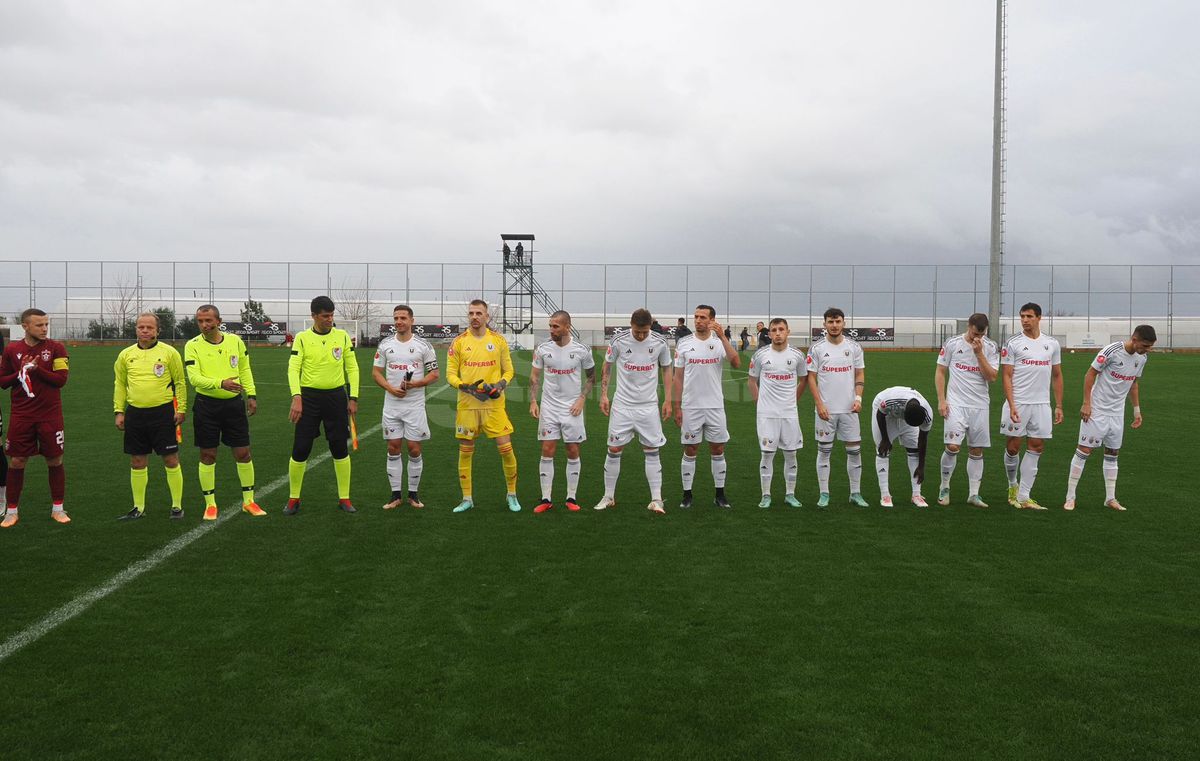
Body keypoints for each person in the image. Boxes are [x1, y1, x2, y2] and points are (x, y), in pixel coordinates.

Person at [184, 305, 265, 520]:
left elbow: (244, 369)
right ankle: (210, 504)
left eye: (208, 320)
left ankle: (249, 501)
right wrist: (221, 383)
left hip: (233, 406)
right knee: (208, 455)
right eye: (200, 321)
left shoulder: (235, 341)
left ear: (219, 321)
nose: (204, 325)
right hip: (206, 406)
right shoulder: (192, 346)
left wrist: (252, 395)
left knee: (243, 453)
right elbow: (194, 379)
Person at [1064, 325, 1156, 511]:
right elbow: (1090, 374)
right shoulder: (1111, 351)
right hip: (1097, 410)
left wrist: (1137, 411)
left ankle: (1110, 498)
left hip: (1117, 413)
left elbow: (1134, 384)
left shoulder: (1142, 358)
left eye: (1150, 346)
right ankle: (1070, 497)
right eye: (1145, 345)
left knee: (1113, 454)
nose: (1148, 350)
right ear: (1134, 339)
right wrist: (1086, 403)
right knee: (1084, 450)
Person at [284, 296, 360, 515]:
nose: (330, 319)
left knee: (339, 447)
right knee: (301, 448)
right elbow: (293, 369)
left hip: (336, 398)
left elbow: (352, 368)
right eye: (325, 316)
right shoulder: (302, 338)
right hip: (308, 399)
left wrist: (353, 398)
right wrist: (296, 396)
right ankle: (293, 498)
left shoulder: (342, 336)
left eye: (332, 315)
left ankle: (344, 499)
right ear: (314, 316)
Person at [595, 308, 673, 514]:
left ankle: (657, 499)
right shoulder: (618, 341)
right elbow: (607, 365)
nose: (641, 335)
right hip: (622, 406)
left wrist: (668, 400)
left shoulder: (659, 342)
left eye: (645, 332)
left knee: (652, 450)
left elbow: (666, 368)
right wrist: (604, 394)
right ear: (631, 325)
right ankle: (608, 496)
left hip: (648, 407)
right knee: (613, 449)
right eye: (637, 331)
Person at [445, 299, 520, 513]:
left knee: (506, 449)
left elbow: (509, 370)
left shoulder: (498, 340)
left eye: (479, 313)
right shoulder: (459, 342)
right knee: (466, 451)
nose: (474, 317)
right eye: (471, 313)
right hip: (467, 406)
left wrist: (500, 385)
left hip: (493, 405)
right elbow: (450, 373)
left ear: (487, 316)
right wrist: (464, 386)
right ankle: (467, 498)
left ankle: (512, 494)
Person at [0, 309, 70, 527]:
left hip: (50, 415)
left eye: (46, 324)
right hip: (22, 416)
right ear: (25, 326)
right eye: (39, 325)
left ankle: (58, 508)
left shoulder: (56, 348)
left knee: (55, 460)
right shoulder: (13, 350)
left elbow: (61, 380)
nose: (44, 329)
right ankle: (11, 511)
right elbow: (3, 381)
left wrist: (37, 370)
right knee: (18, 461)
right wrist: (20, 371)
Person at [114, 312, 186, 520]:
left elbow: (180, 383)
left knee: (171, 459)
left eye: (149, 327)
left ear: (157, 330)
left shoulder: (169, 353)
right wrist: (119, 411)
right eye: (141, 327)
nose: (145, 331)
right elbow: (120, 384)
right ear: (136, 329)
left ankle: (177, 506)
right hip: (135, 414)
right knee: (137, 460)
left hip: (163, 413)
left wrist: (180, 409)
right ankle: (138, 508)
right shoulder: (126, 355)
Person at [372, 305, 439, 510]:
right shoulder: (385, 345)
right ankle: (395, 495)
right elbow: (376, 372)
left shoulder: (423, 345)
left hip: (414, 406)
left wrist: (415, 384)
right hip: (391, 405)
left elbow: (435, 374)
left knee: (414, 448)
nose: (399, 321)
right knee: (393, 447)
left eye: (403, 318)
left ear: (412, 320)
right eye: (396, 318)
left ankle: (413, 494)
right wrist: (391, 389)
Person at [672, 305, 739, 508]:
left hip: (715, 406)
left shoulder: (719, 343)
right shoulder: (684, 344)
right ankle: (687, 495)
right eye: (696, 316)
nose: (698, 320)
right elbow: (678, 377)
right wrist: (677, 406)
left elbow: (736, 363)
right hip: (691, 406)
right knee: (690, 449)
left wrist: (724, 338)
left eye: (703, 317)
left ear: (712, 320)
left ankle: (720, 495)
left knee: (718, 449)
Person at [529, 310, 595, 513]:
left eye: (556, 326)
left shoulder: (582, 350)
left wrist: (582, 398)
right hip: (549, 407)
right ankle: (545, 499)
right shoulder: (542, 349)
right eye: (550, 325)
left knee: (572, 450)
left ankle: (571, 497)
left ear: (567, 326)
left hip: (571, 409)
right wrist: (533, 400)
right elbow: (534, 377)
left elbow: (592, 377)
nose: (551, 330)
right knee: (547, 449)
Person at [1000, 302, 1063, 510]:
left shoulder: (1052, 344)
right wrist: (1011, 404)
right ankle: (1012, 487)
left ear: (1039, 318)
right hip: (1018, 403)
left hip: (1042, 405)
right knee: (1013, 447)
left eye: (1029, 316)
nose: (1025, 320)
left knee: (1037, 446)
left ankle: (1025, 496)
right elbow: (1007, 376)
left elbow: (1057, 375)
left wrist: (1059, 405)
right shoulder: (1013, 343)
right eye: (1022, 317)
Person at [934, 313, 999, 507]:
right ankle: (944, 487)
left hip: (979, 405)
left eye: (981, 334)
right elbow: (940, 371)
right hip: (956, 403)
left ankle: (974, 494)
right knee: (953, 446)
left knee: (976, 450)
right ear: (968, 326)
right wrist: (941, 400)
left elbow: (992, 377)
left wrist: (979, 354)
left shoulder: (990, 347)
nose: (976, 338)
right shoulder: (952, 343)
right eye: (974, 334)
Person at [807, 307, 868, 508]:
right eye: (830, 322)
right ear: (824, 324)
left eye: (838, 321)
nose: (834, 325)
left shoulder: (854, 347)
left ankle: (855, 493)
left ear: (844, 323)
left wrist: (858, 398)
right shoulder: (816, 349)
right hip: (826, 411)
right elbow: (811, 378)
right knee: (824, 451)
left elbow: (859, 374)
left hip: (850, 409)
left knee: (855, 450)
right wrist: (819, 404)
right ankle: (824, 494)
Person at [747, 318, 806, 508]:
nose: (778, 333)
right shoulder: (760, 355)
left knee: (791, 454)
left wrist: (792, 400)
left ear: (788, 331)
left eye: (781, 329)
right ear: (769, 333)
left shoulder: (797, 355)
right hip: (767, 414)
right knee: (767, 454)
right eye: (774, 330)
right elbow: (751, 381)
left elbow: (804, 380)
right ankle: (766, 495)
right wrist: (759, 404)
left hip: (789, 414)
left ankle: (790, 494)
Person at [871, 387, 934, 508]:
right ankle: (885, 494)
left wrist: (922, 466)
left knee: (914, 449)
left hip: (907, 412)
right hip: (884, 412)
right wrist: (885, 439)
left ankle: (916, 494)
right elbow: (880, 414)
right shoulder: (890, 401)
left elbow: (922, 440)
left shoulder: (927, 414)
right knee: (882, 450)